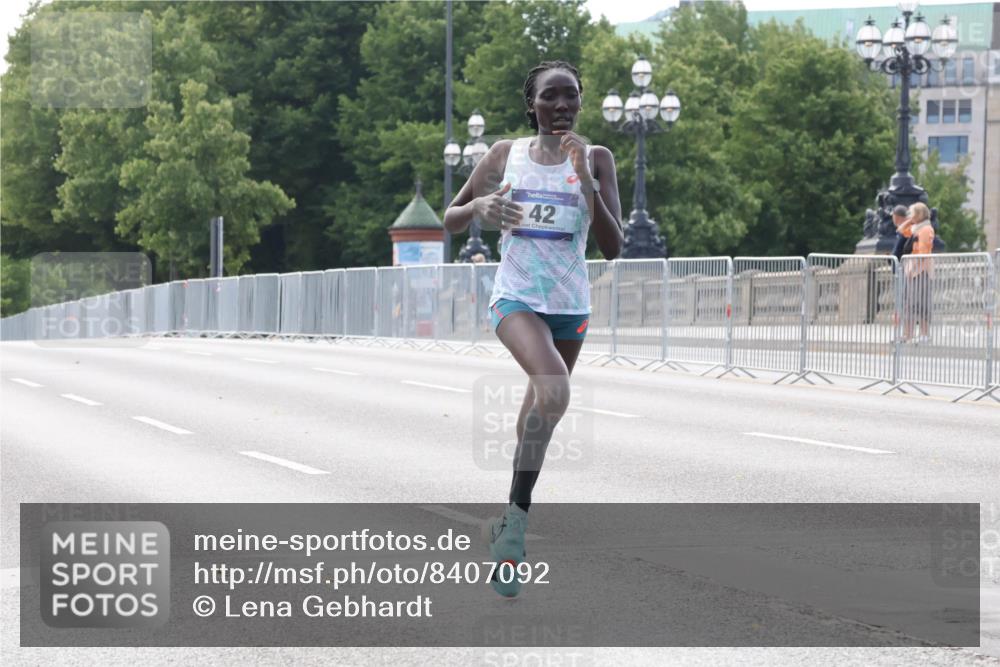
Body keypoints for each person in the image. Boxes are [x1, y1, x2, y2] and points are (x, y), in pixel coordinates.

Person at [443, 60, 624, 597]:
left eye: (570, 97)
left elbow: (613, 248)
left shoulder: (597, 158)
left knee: (535, 421)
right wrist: (479, 205)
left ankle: (505, 519)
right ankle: (516, 532)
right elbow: (450, 220)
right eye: (550, 97)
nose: (561, 106)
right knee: (556, 391)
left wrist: (586, 182)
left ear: (581, 103)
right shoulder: (505, 154)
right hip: (516, 297)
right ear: (533, 105)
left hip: (570, 306)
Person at [898, 202, 935, 343]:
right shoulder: (916, 228)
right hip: (913, 270)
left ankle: (924, 334)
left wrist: (913, 269)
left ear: (919, 214)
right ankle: (908, 334)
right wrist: (910, 220)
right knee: (909, 304)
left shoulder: (925, 229)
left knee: (920, 303)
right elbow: (901, 230)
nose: (909, 215)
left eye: (912, 213)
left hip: (921, 271)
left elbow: (923, 252)